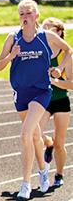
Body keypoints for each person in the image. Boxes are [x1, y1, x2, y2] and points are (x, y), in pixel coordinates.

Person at [0, 0, 71, 201]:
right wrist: (11, 56)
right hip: (21, 93)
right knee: (35, 136)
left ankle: (26, 184)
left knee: (25, 134)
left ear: (36, 16)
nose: (25, 17)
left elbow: (68, 49)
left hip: (41, 91)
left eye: (28, 13)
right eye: (21, 14)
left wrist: (59, 69)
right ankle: (44, 171)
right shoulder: (13, 38)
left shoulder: (46, 36)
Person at [39, 17, 73, 187]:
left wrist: (56, 81)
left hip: (60, 101)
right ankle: (48, 144)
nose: (45, 33)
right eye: (43, 29)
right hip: (43, 100)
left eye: (49, 29)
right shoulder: (39, 52)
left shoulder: (65, 57)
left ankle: (59, 174)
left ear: (59, 33)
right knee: (35, 134)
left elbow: (72, 84)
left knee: (60, 143)